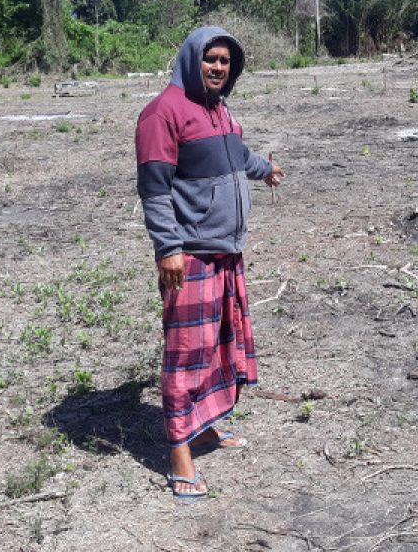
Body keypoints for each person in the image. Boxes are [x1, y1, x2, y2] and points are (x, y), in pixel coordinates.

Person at [134, 25, 284, 501]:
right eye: (211, 59)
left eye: (225, 61)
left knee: (219, 345)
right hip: (191, 254)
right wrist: (168, 248)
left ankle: (206, 427)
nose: (218, 67)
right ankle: (179, 452)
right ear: (191, 59)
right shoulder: (163, 113)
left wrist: (265, 169)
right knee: (186, 355)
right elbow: (155, 189)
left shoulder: (218, 110)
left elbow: (236, 153)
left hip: (226, 249)